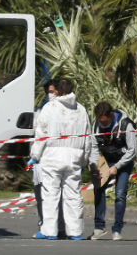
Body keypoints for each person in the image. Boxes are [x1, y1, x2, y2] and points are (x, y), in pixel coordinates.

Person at [29, 79, 96, 241]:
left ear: (57, 91)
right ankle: (75, 231)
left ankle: (49, 231)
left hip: (52, 156)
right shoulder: (81, 110)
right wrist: (84, 159)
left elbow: (41, 134)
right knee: (73, 195)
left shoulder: (50, 108)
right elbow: (88, 137)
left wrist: (35, 156)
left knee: (50, 194)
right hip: (74, 156)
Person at [90, 102, 137, 241]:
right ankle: (99, 227)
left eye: (105, 122)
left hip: (124, 161)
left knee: (120, 194)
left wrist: (117, 166)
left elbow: (132, 150)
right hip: (106, 161)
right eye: (100, 122)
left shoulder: (126, 125)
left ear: (111, 115)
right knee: (98, 190)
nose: (102, 125)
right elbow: (93, 148)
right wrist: (94, 167)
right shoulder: (96, 126)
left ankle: (117, 229)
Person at [29, 79, 65, 237]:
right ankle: (45, 224)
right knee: (40, 194)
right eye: (48, 92)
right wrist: (34, 157)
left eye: (53, 91)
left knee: (59, 195)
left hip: (56, 158)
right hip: (39, 161)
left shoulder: (69, 111)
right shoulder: (41, 110)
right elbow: (38, 134)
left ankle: (61, 227)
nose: (51, 95)